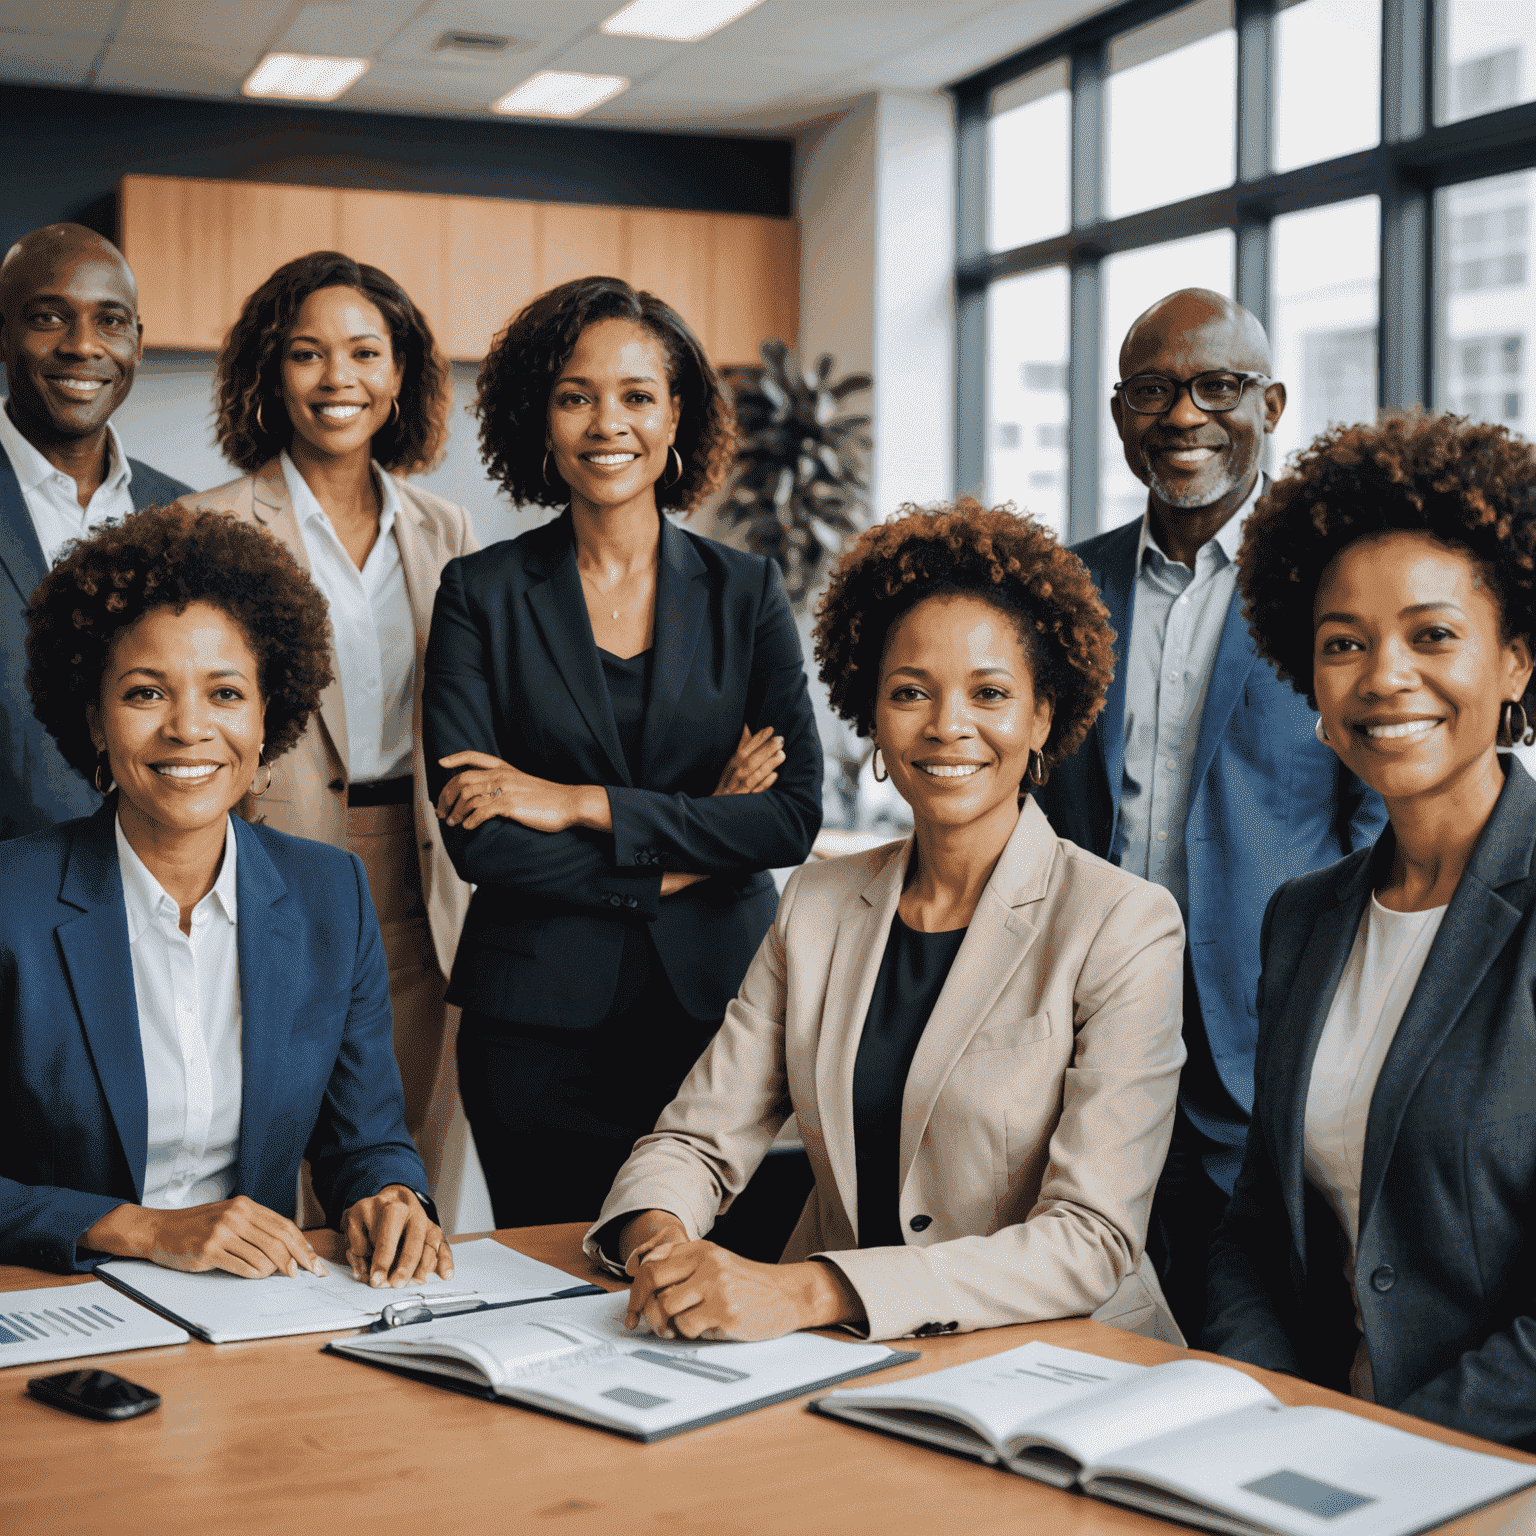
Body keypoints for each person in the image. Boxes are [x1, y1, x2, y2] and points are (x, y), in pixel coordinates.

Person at [584, 500, 1187, 1345]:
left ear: (1043, 717)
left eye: (989, 693)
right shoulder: (820, 903)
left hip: (1058, 1359)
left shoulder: (1124, 925)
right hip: (842, 1367)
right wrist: (660, 1242)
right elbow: (696, 1139)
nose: (947, 726)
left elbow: (1090, 1241)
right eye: (912, 693)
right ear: (872, 713)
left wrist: (811, 1291)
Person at [423, 275, 822, 1228]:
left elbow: (789, 813)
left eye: (638, 395)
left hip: (719, 1018)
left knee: (713, 1283)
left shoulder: (745, 591)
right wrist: (693, 851)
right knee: (550, 1281)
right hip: (535, 1030)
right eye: (577, 396)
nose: (610, 423)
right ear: (541, 418)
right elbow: (483, 842)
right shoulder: (480, 594)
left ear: (675, 412)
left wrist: (575, 802)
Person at [1032, 287, 1386, 1345]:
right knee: (1091, 1312)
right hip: (1089, 1024)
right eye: (1152, 391)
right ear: (1119, 414)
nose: (1182, 415)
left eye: (1217, 386)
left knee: (1267, 1321)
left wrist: (1336, 994)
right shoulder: (1071, 585)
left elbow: (1375, 811)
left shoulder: (1332, 585)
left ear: (1272, 403)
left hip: (1265, 1022)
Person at [1, 504, 448, 1286]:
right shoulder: (14, 899)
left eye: (225, 694)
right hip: (57, 1307)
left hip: (253, 1314)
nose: (189, 729)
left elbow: (365, 1138)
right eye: (146, 694)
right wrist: (141, 1230)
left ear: (268, 714)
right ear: (94, 720)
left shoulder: (327, 896)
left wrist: (389, 1194)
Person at [1206, 412, 1536, 1448]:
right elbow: (1254, 1234)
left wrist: (1384, 1448)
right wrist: (1276, 1414)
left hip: (1483, 1462)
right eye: (1344, 644)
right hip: (1301, 1449)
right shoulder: (1304, 919)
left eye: (1432, 635)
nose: (1384, 675)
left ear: (1517, 661)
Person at [176, 252, 476, 1199]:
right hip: (268, 848)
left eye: (363, 353)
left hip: (422, 866)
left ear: (400, 374)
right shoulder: (210, 525)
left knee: (411, 1140)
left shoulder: (447, 530)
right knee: (276, 1141)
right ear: (272, 373)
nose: (337, 378)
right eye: (307, 354)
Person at [0, 223, 191, 841]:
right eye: (49, 318)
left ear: (138, 341)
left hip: (152, 889)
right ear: (3, 333)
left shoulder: (183, 518)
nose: (83, 347)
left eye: (110, 321)